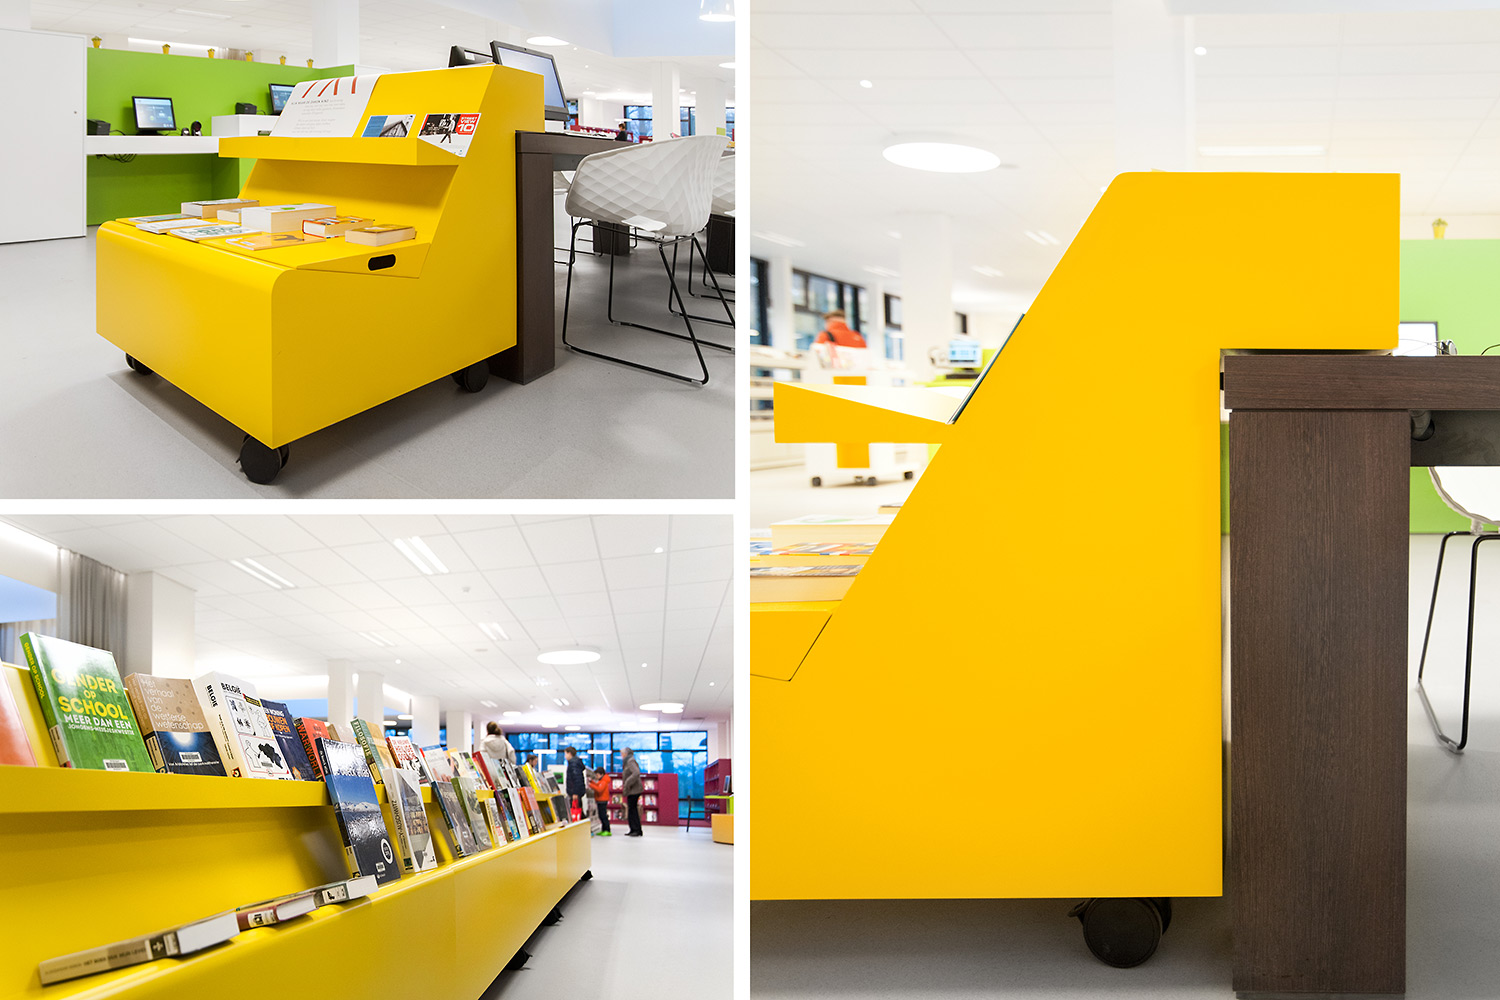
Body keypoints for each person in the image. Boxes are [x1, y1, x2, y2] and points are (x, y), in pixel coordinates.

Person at [621, 747, 644, 837]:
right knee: (632, 809)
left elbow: (636, 773)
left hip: (634, 790)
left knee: (632, 810)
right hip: (632, 790)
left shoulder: (630, 761)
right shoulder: (628, 761)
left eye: (622, 753)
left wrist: (627, 782)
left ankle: (636, 830)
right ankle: (634, 829)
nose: (621, 755)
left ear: (626, 753)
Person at [563, 746, 586, 816]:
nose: (565, 756)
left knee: (576, 812)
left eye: (565, 754)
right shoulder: (575, 763)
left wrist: (575, 792)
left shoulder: (573, 764)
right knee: (578, 810)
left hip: (575, 793)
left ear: (570, 753)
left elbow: (577, 779)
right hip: (576, 792)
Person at [589, 767, 612, 836]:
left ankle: (607, 830)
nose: (596, 776)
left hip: (602, 800)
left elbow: (599, 790)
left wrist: (591, 785)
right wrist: (592, 782)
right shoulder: (601, 781)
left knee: (603, 815)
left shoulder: (604, 781)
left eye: (597, 775)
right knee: (601, 815)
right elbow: (598, 785)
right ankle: (604, 829)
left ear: (601, 774)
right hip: (600, 800)